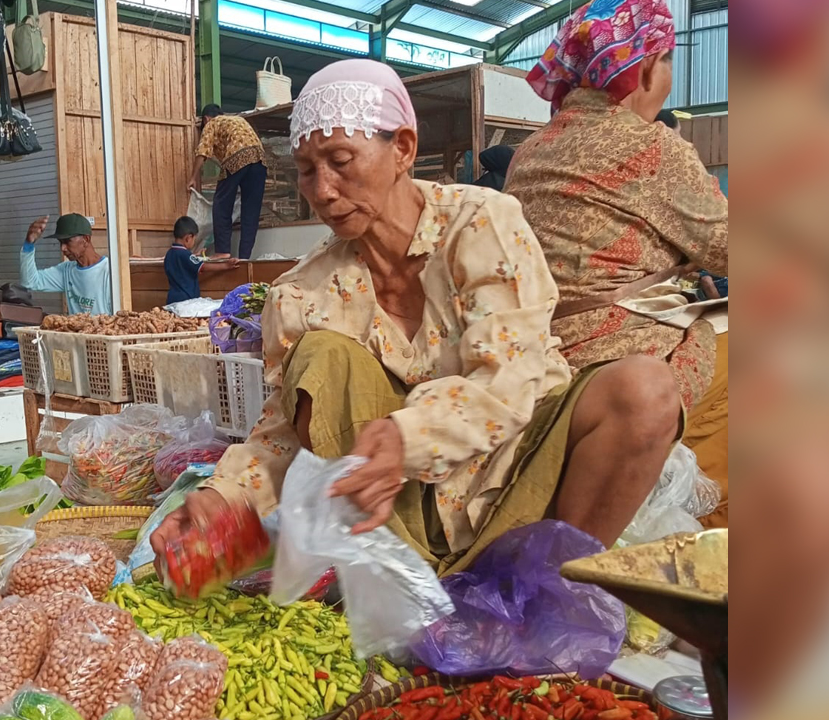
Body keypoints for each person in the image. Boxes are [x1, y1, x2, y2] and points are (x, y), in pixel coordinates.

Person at [150, 59, 683, 576]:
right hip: (394, 513)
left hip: (516, 472)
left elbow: (508, 377)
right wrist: (222, 499)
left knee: (645, 389)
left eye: (341, 160)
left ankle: (547, 586)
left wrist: (407, 435)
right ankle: (407, 575)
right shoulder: (301, 292)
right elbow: (283, 434)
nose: (323, 191)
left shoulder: (481, 222)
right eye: (308, 171)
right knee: (321, 356)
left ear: (402, 148)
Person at [506, 0, 730, 526]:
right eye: (668, 62)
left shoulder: (532, 148)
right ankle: (720, 521)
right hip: (619, 353)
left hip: (538, 351)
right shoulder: (654, 147)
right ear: (648, 67)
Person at [189, 104, 266, 260]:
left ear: (206, 118)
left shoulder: (212, 123)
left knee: (221, 203)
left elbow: (203, 151)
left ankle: (223, 250)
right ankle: (244, 257)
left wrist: (193, 177)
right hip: (260, 161)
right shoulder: (237, 120)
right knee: (250, 211)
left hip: (237, 156)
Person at [20, 213, 112, 315]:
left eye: (67, 241)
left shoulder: (109, 273)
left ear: (86, 239)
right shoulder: (67, 270)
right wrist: (29, 244)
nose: (62, 248)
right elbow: (30, 282)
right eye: (60, 242)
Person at [164, 216, 239, 305]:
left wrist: (194, 256)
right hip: (186, 300)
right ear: (188, 238)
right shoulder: (185, 255)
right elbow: (202, 267)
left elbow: (183, 265)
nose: (194, 242)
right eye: (194, 239)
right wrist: (226, 266)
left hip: (172, 299)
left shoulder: (169, 254)